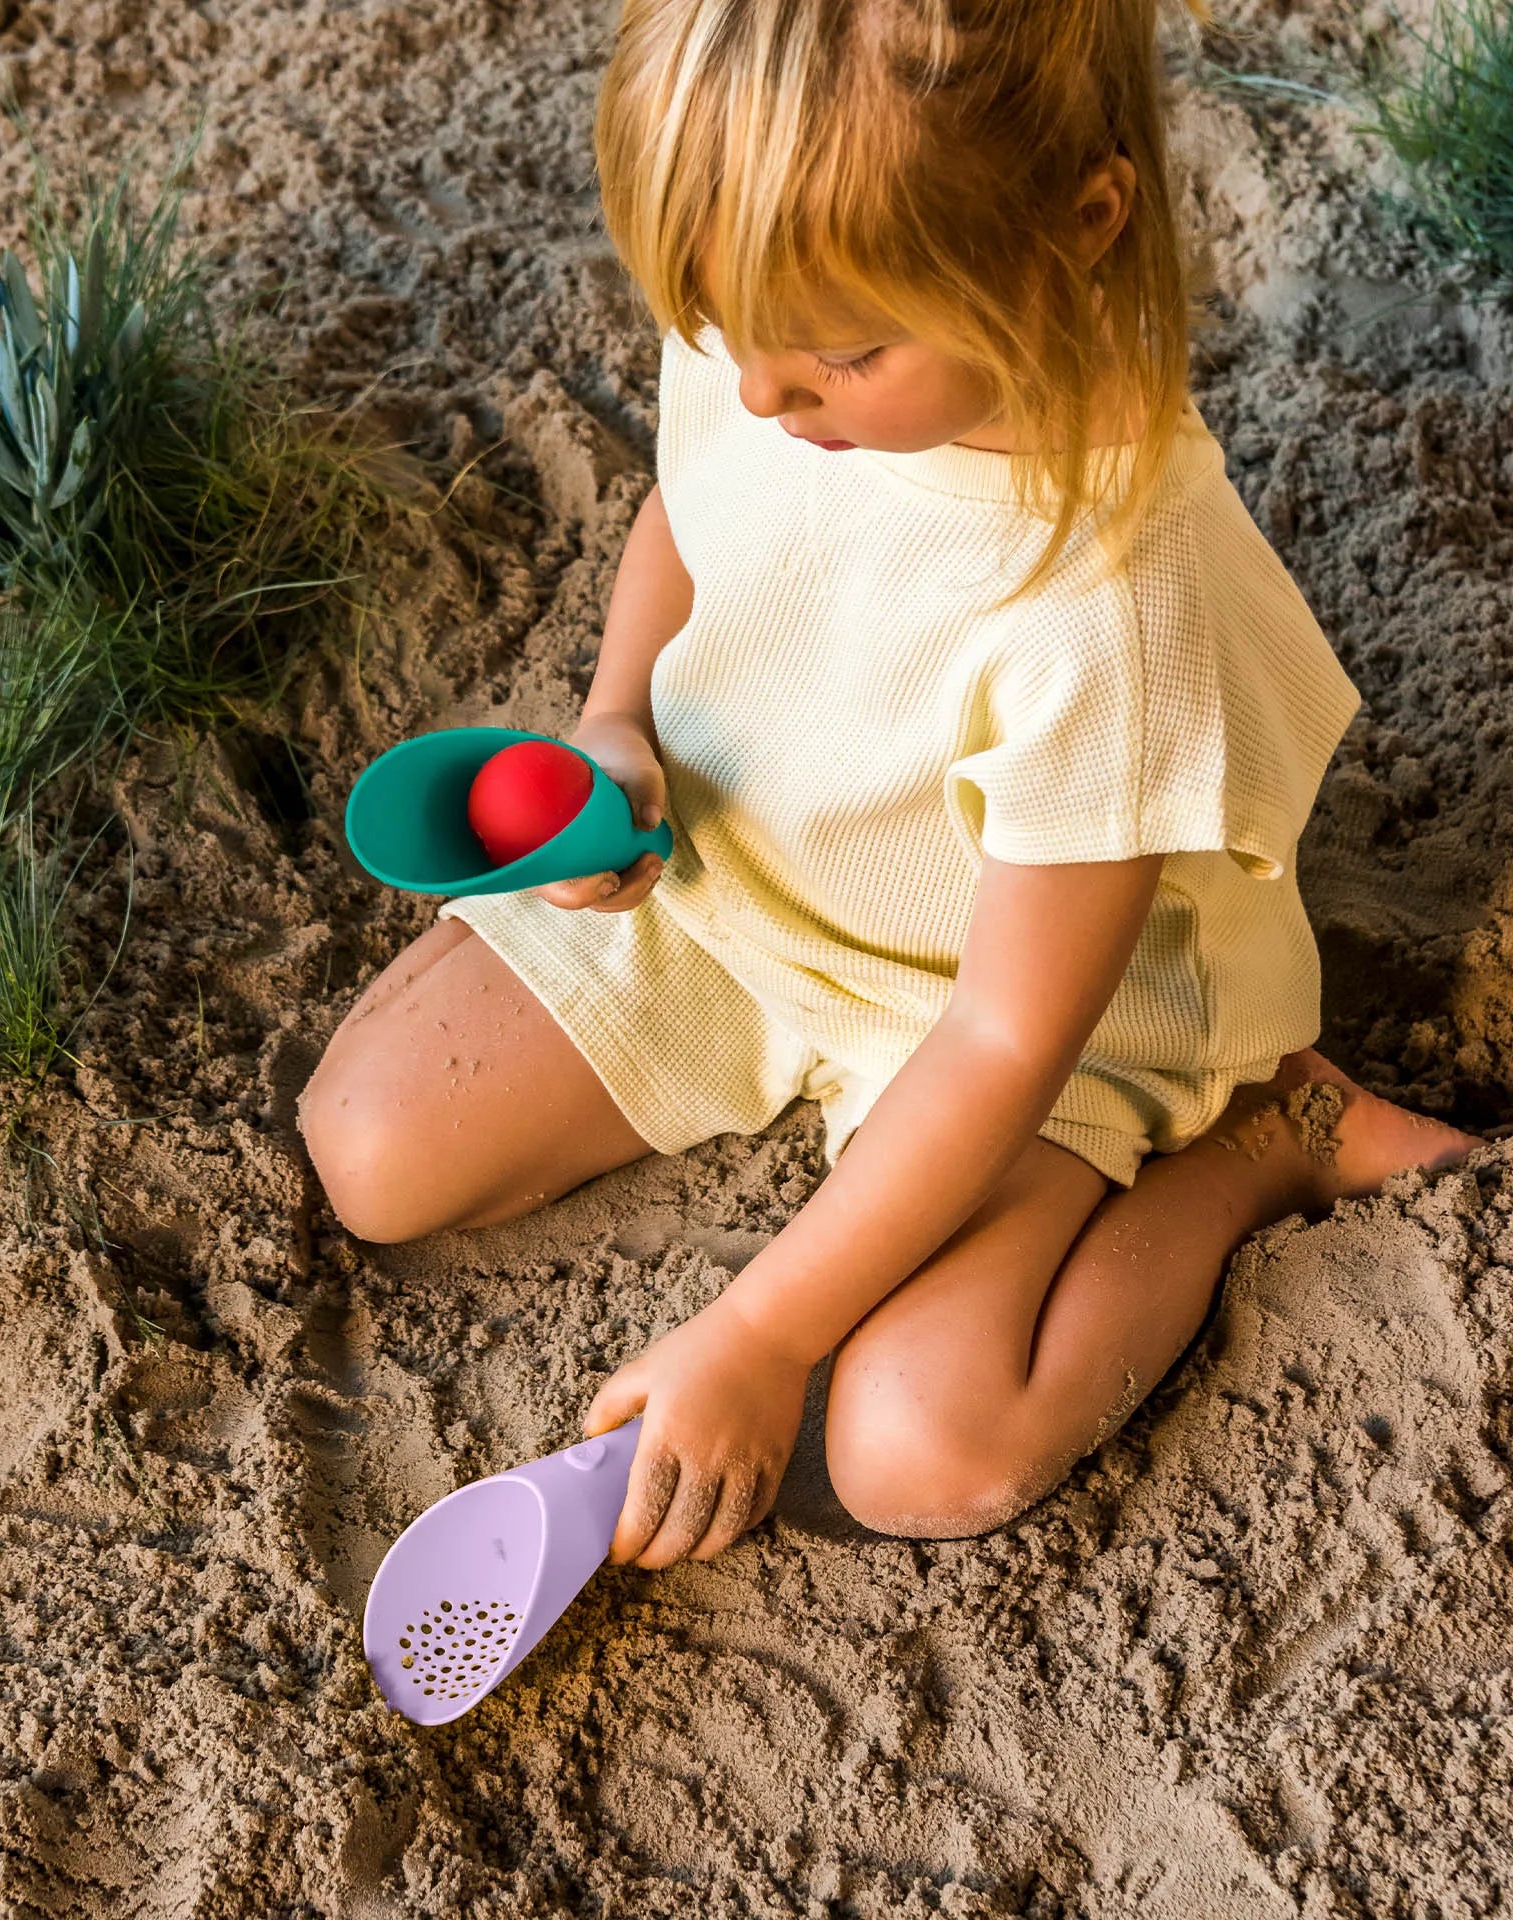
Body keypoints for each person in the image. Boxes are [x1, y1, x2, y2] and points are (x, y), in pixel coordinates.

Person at [298, 0, 1476, 1569]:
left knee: (927, 1447)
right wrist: (617, 726)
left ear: (1079, 223)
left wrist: (758, 1335)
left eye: (843, 355)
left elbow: (1002, 1036)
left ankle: (1273, 1133)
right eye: (726, 334)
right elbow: (693, 509)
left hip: (1034, 1015)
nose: (770, 397)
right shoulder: (781, 305)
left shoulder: (1106, 596)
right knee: (370, 1145)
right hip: (747, 867)